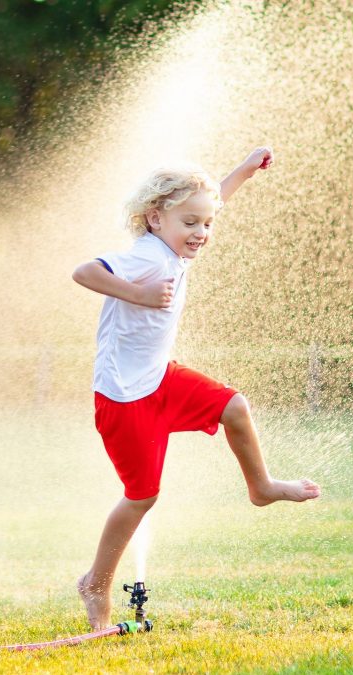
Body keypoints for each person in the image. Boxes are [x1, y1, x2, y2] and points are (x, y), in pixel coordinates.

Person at [72, 148, 321, 629]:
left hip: (162, 378)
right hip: (125, 398)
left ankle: (262, 486)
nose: (202, 233)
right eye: (192, 223)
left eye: (206, 224)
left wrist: (244, 171)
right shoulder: (145, 256)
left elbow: (213, 201)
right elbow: (84, 273)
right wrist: (140, 294)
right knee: (141, 496)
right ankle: (96, 583)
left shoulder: (172, 240)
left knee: (234, 406)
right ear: (155, 218)